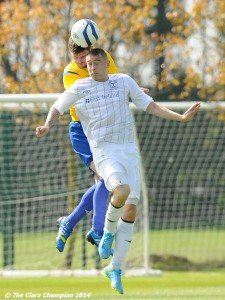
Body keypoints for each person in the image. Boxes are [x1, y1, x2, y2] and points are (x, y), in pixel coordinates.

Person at [36, 48, 200, 294]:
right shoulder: (80, 87)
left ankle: (116, 267)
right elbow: (58, 107)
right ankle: (105, 234)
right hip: (103, 152)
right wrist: (47, 124)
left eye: (96, 62)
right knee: (120, 190)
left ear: (106, 62)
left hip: (128, 151)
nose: (91, 67)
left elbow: (151, 106)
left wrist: (180, 117)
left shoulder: (123, 81)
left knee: (131, 208)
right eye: (88, 64)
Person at [55, 37, 119, 253]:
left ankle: (70, 222)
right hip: (82, 130)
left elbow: (116, 80)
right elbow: (87, 96)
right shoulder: (70, 73)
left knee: (106, 182)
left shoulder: (104, 58)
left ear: (92, 50)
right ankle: (98, 230)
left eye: (84, 57)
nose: (82, 62)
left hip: (103, 128)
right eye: (77, 58)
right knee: (104, 177)